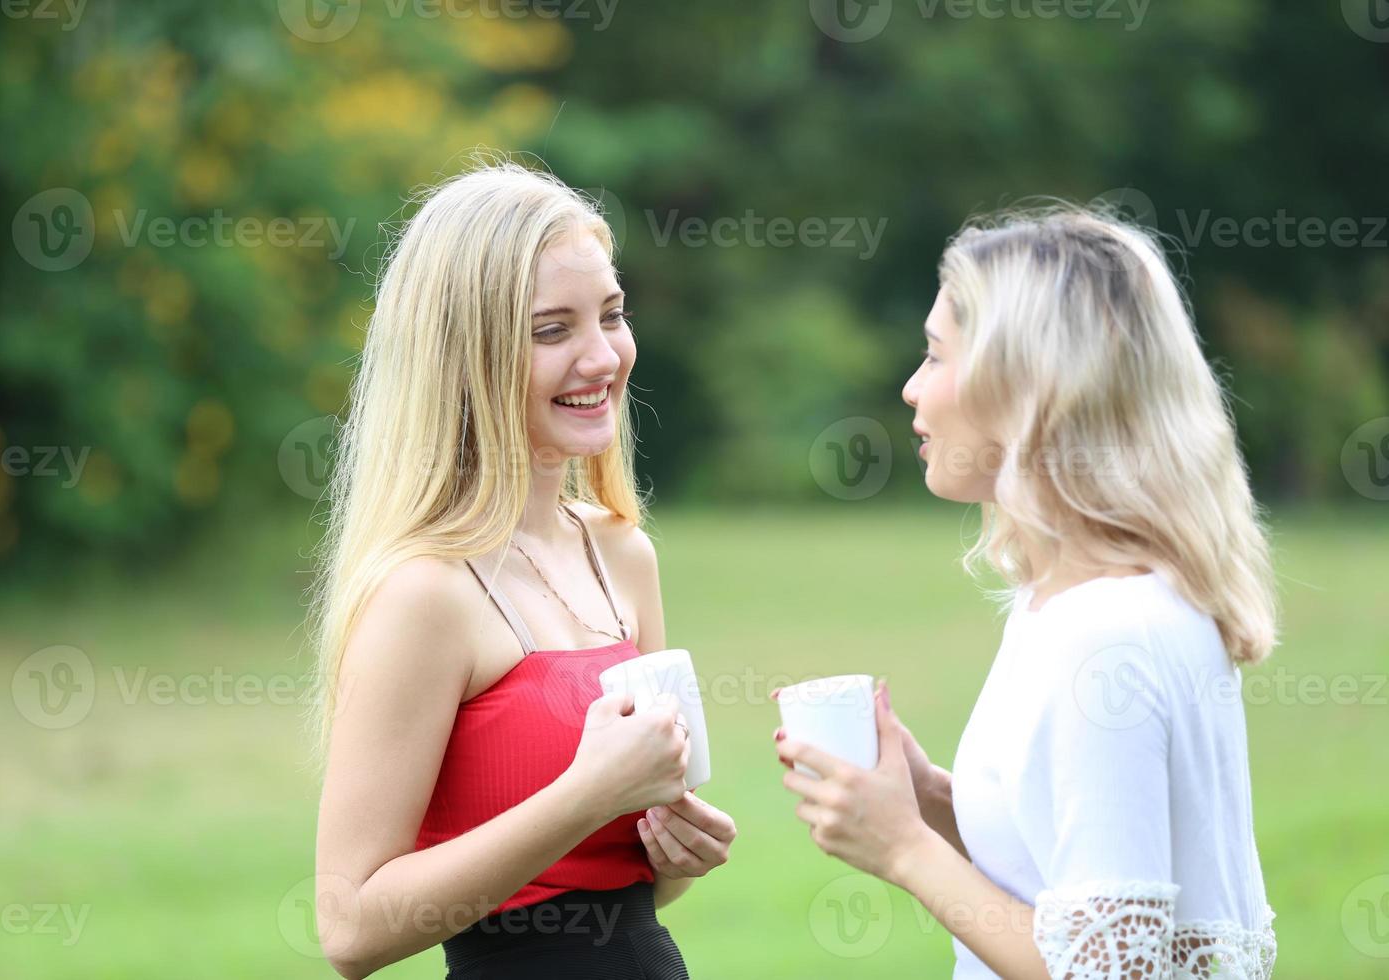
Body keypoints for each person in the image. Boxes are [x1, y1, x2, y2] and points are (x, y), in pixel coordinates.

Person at [774, 207, 1278, 978]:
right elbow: (1065, 879)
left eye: (937, 357)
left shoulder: (1106, 637)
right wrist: (925, 798)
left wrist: (904, 849)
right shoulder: (1076, 604)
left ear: (1027, 390)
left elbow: (1110, 970)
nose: (911, 389)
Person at [308, 160, 736, 980]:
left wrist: (675, 850)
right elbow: (350, 927)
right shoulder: (425, 593)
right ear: (464, 358)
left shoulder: (622, 555)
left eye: (611, 315)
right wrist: (589, 792)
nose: (602, 356)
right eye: (552, 330)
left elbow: (614, 881)